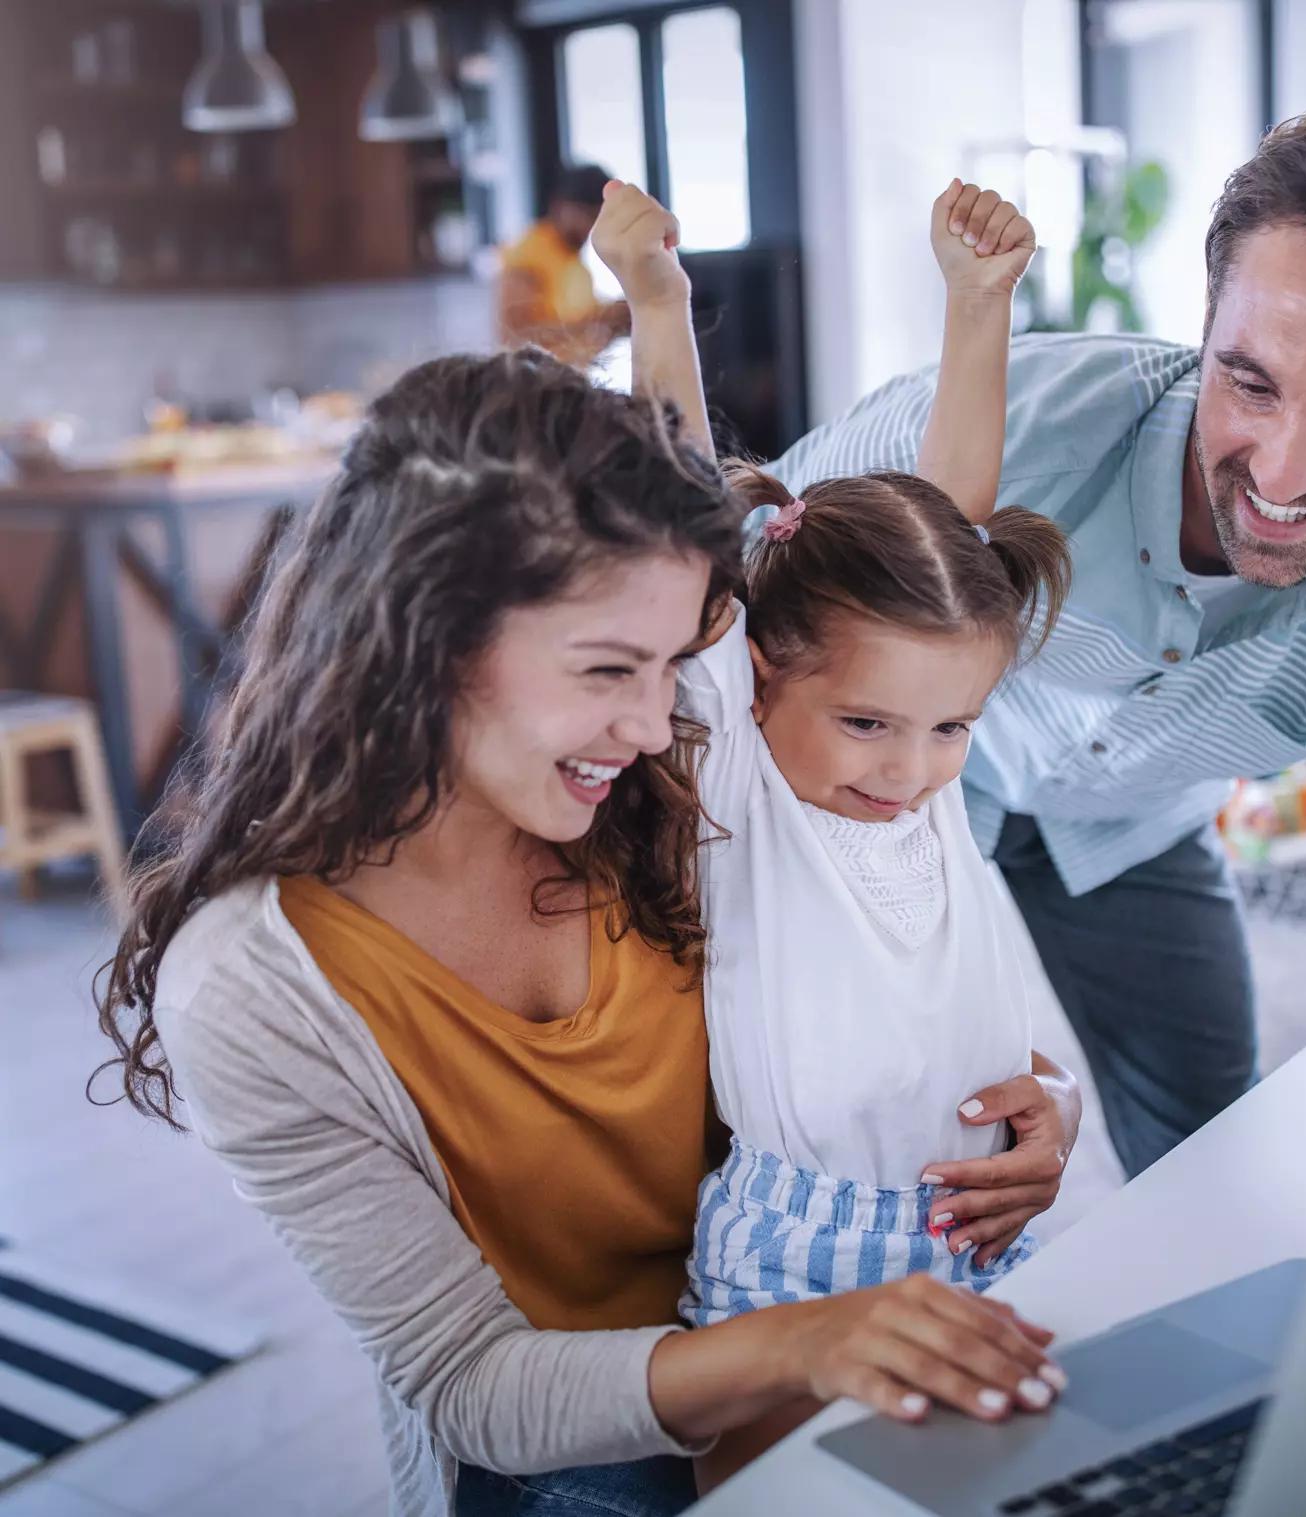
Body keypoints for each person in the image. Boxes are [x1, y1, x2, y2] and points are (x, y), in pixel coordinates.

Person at [94, 350, 1069, 1517]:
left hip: (831, 1347)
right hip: (574, 1444)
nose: (658, 723)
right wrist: (808, 1341)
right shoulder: (257, 988)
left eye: (670, 667)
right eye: (609, 667)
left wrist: (1024, 1108)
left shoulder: (671, 793)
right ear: (426, 637)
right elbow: (474, 1383)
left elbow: (879, 967)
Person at [770, 93, 1306, 1178]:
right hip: (905, 780)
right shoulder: (1007, 423)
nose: (1282, 472)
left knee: (1211, 1158)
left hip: (1138, 816)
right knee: (842, 1120)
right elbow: (723, 580)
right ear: (1208, 317)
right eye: (1248, 381)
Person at [591, 175, 1077, 1485]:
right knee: (783, 1500)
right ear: (757, 679)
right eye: (868, 724)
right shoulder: (751, 783)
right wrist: (656, 296)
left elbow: (955, 528)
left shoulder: (923, 768)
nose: (912, 770)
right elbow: (683, 510)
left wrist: (981, 306)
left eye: (950, 729)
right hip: (803, 1255)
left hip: (977, 1228)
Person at [496, 163, 631, 366]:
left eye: (598, 217)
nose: (590, 226)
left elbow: (585, 329)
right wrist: (599, 321)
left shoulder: (577, 266)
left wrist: (617, 315)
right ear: (559, 206)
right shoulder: (529, 253)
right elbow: (515, 337)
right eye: (586, 214)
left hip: (572, 384)